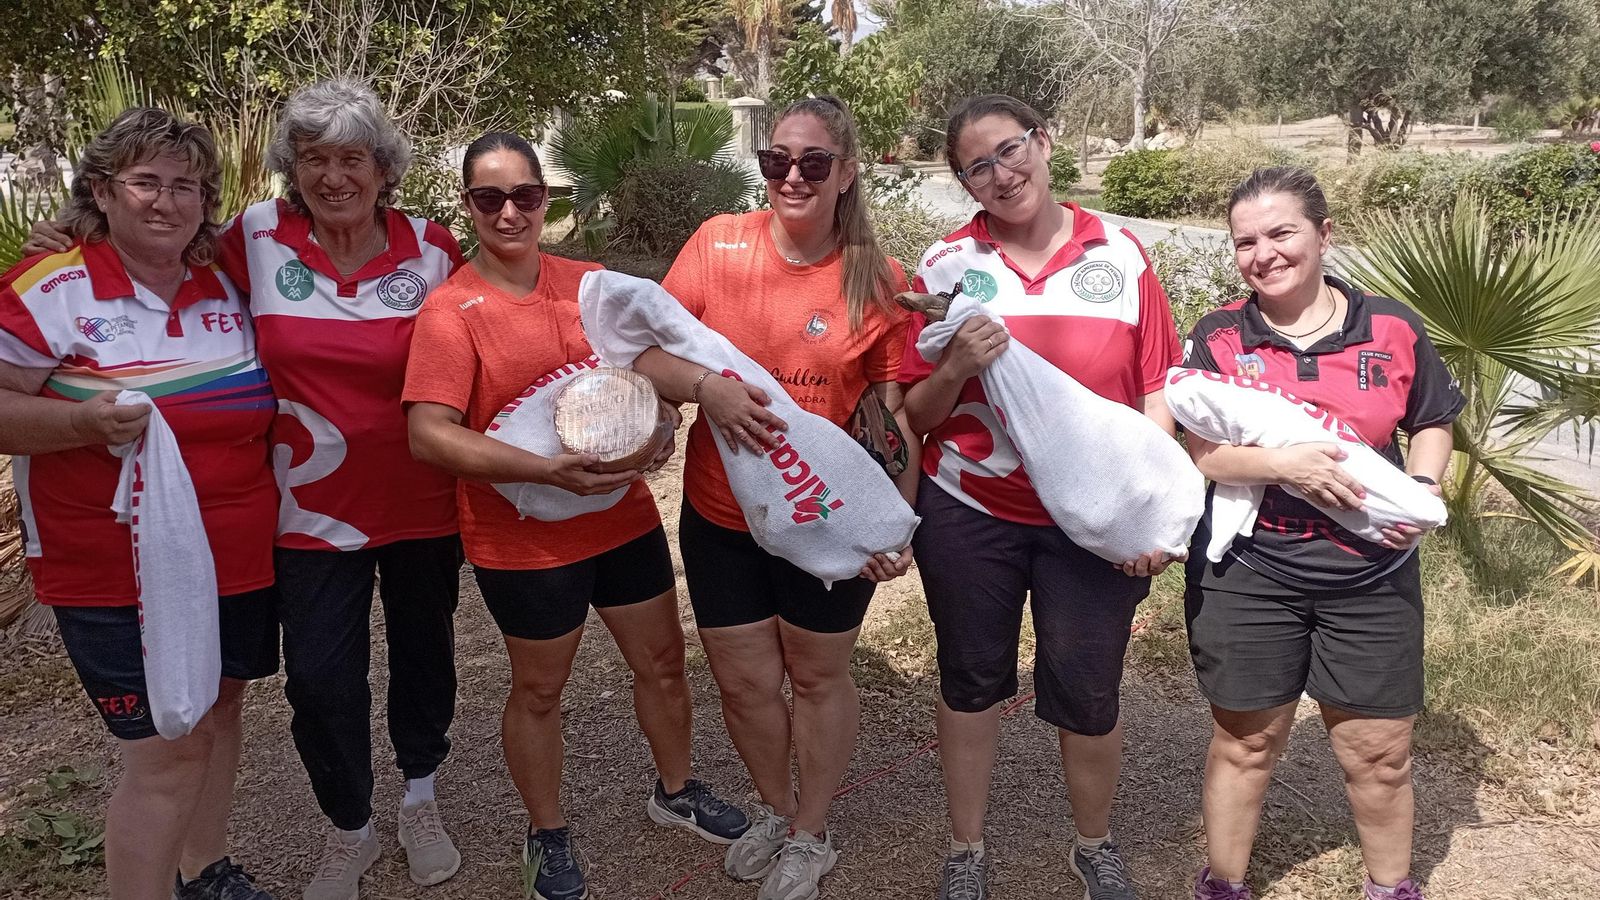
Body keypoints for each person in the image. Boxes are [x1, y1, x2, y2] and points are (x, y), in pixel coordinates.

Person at [23, 79, 465, 900]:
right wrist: (75, 229)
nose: (335, 176)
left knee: (425, 659)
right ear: (290, 168)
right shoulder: (251, 239)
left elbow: (483, 339)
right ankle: (350, 828)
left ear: (383, 167)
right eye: (314, 158)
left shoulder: (433, 246)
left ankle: (421, 797)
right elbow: (149, 246)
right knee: (321, 680)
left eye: (352, 158)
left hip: (420, 501)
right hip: (301, 513)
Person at [402, 131, 750, 900]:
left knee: (661, 664)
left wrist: (664, 421)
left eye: (525, 195)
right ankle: (547, 833)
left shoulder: (588, 283)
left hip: (619, 520)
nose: (510, 212)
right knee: (539, 691)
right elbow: (428, 433)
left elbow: (639, 368)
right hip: (522, 540)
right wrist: (542, 471)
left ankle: (676, 789)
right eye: (489, 198)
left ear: (546, 202)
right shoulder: (452, 310)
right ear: (468, 207)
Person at [629, 95, 917, 900]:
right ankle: (775, 810)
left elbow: (890, 420)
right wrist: (705, 389)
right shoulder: (718, 246)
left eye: (813, 162)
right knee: (745, 681)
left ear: (846, 172)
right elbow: (643, 353)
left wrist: (895, 523)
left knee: (819, 677)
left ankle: (812, 834)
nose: (791, 175)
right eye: (775, 159)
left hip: (824, 522)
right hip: (722, 513)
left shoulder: (879, 279)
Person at [899, 94, 1184, 900]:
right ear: (963, 182)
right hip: (971, 513)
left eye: (1010, 149)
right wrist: (954, 365)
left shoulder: (1121, 254)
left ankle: (1093, 846)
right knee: (969, 680)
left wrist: (1148, 509)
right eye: (976, 166)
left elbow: (1157, 393)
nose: (1001, 173)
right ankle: (966, 852)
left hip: (1092, 523)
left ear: (1044, 142)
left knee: (1090, 689)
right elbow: (915, 415)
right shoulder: (948, 265)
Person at [0, 108, 277, 900]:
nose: (167, 201)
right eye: (145, 182)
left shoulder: (225, 277)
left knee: (221, 713)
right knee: (166, 753)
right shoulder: (51, 284)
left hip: (235, 555)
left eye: (186, 185)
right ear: (101, 190)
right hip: (113, 569)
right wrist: (81, 421)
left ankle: (205, 869)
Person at [1182, 166, 1460, 900]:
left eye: (1282, 233)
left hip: (1371, 572)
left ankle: (1391, 887)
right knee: (1246, 741)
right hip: (1250, 571)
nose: (1263, 253)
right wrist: (1283, 465)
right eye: (1246, 241)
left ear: (1324, 234)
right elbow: (1198, 451)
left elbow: (1432, 419)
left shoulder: (1392, 327)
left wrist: (1423, 489)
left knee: (1379, 751)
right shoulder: (1217, 336)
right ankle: (1225, 886)